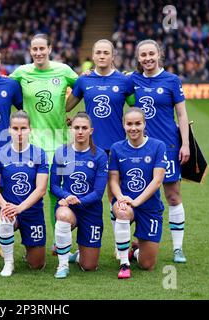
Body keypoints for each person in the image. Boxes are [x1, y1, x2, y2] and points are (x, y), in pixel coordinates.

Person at [66, 39, 135, 259]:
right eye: (98, 52)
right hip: (90, 149)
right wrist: (69, 120)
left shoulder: (124, 82)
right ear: (93, 56)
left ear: (113, 56)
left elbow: (137, 109)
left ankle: (119, 244)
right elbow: (66, 106)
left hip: (116, 148)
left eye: (106, 52)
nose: (102, 56)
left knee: (116, 195)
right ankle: (83, 243)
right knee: (85, 194)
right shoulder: (84, 81)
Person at [9, 33, 78, 244]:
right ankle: (18, 237)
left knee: (56, 193)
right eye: (34, 49)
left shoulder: (63, 70)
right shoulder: (22, 72)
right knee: (26, 191)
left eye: (42, 48)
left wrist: (67, 110)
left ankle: (59, 242)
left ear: (49, 49)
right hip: (32, 142)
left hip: (60, 141)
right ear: (30, 51)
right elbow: (1, 89)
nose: (38, 53)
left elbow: (84, 87)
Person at [130, 39, 190, 263]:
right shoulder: (132, 79)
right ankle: (135, 244)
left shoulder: (172, 80)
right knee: (138, 193)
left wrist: (185, 144)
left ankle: (177, 248)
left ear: (159, 55)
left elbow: (182, 115)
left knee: (173, 196)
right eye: (143, 55)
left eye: (151, 54)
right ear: (138, 58)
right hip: (139, 149)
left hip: (168, 146)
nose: (147, 58)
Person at [109, 107, 167, 279]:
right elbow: (113, 179)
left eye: (137, 124)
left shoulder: (158, 146)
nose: (133, 128)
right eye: (129, 124)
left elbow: (157, 180)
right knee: (122, 210)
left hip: (149, 207)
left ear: (144, 124)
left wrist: (136, 201)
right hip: (127, 203)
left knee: (146, 265)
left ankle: (135, 251)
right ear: (123, 125)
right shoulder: (117, 148)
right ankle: (124, 263)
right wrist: (121, 199)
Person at [0, 111, 49, 277]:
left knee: (37, 265)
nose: (19, 132)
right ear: (9, 130)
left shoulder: (39, 154)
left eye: (23, 128)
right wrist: (5, 206)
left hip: (32, 211)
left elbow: (41, 189)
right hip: (8, 208)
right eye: (15, 128)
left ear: (30, 130)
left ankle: (29, 250)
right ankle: (9, 263)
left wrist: (20, 208)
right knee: (4, 218)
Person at [50, 112, 108, 279]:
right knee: (62, 215)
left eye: (84, 128)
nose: (80, 131)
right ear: (71, 130)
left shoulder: (100, 155)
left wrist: (79, 200)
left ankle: (77, 253)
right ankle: (62, 265)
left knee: (89, 266)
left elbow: (98, 193)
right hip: (69, 208)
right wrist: (67, 196)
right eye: (76, 127)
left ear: (91, 130)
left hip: (91, 210)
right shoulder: (62, 153)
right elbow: (54, 184)